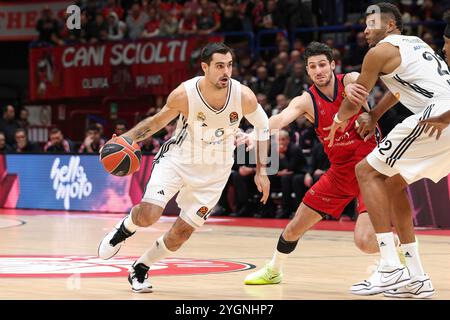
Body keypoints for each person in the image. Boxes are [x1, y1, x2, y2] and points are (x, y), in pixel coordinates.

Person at [98, 43, 270, 293]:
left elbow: (265, 128)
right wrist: (128, 138)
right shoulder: (185, 94)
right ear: (205, 67)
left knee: (181, 234)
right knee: (149, 216)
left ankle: (141, 267)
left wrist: (262, 171)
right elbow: (156, 122)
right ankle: (124, 229)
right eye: (220, 66)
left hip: (215, 172)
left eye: (229, 65)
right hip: (178, 159)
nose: (226, 71)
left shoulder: (243, 96)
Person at [326, 3, 450, 298]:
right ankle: (417, 276)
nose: (365, 30)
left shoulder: (378, 52)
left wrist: (336, 121)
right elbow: (399, 90)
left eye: (371, 23)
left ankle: (391, 267)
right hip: (444, 116)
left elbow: (355, 101)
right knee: (392, 185)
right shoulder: (416, 44)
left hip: (436, 117)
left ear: (391, 25)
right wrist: (376, 115)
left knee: (365, 172)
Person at [244, 42, 392, 286]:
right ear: (307, 71)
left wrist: (363, 93)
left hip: (372, 170)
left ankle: (396, 257)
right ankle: (274, 269)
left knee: (365, 241)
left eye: (323, 64)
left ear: (333, 65)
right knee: (293, 228)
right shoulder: (306, 100)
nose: (319, 70)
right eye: (313, 66)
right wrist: (254, 132)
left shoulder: (350, 80)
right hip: (340, 174)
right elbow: (280, 118)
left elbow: (363, 79)